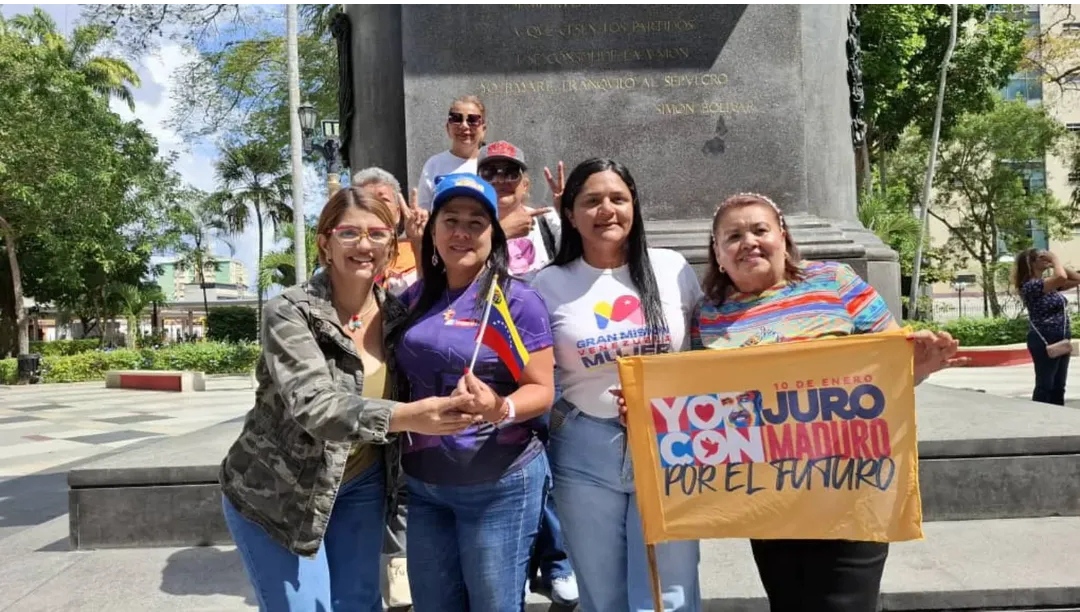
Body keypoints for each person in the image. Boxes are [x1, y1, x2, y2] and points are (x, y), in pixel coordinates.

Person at [691, 192, 961, 612]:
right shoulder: (709, 313)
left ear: (783, 236)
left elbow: (889, 370)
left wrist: (919, 366)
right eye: (733, 236)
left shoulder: (834, 282)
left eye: (760, 230)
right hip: (768, 494)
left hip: (851, 484)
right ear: (718, 253)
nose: (749, 242)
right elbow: (696, 398)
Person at [218, 186, 480, 612]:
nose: (365, 245)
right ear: (325, 242)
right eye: (349, 234)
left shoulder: (398, 317)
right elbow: (316, 406)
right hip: (277, 490)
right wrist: (410, 416)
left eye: (378, 234)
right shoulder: (290, 312)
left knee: (358, 603)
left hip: (360, 483)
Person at [531, 159, 703, 612]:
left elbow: (708, 347)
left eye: (618, 198)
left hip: (671, 443)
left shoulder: (672, 268)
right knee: (602, 597)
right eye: (591, 201)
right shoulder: (547, 283)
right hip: (584, 451)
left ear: (635, 206)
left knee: (671, 593)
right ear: (569, 214)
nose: (606, 209)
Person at [394, 173, 556, 611]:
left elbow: (542, 390)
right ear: (433, 231)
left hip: (499, 483)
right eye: (450, 220)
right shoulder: (412, 299)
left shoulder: (518, 301)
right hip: (425, 485)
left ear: (493, 235)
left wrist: (499, 407)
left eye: (476, 223)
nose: (461, 232)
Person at [476, 141, 578, 606]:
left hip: (545, 361)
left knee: (551, 470)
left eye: (509, 172)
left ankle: (558, 563)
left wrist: (566, 213)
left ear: (525, 180)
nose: (501, 180)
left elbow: (576, 265)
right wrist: (496, 230)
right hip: (491, 364)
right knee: (506, 473)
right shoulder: (472, 226)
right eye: (491, 171)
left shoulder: (548, 228)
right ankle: (515, 567)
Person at [350, 167, 429, 609]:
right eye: (367, 201)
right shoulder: (352, 254)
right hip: (363, 397)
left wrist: (418, 246)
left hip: (412, 393)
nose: (378, 209)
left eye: (386, 200)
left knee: (401, 491)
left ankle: (400, 587)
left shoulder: (426, 247)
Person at [1014, 247, 1080, 405]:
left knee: (1059, 386)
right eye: (1041, 257)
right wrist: (1055, 258)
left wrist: (1054, 263)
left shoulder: (1049, 285)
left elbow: (1076, 278)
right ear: (1031, 263)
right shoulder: (1030, 286)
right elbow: (1061, 277)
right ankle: (1040, 419)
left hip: (1061, 338)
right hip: (1044, 339)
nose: (1046, 259)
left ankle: (1057, 419)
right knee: (1045, 385)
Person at [416, 95, 487, 210]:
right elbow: (423, 210)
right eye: (456, 118)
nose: (464, 125)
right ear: (447, 128)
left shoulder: (490, 164)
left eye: (473, 120)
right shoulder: (434, 164)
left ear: (483, 129)